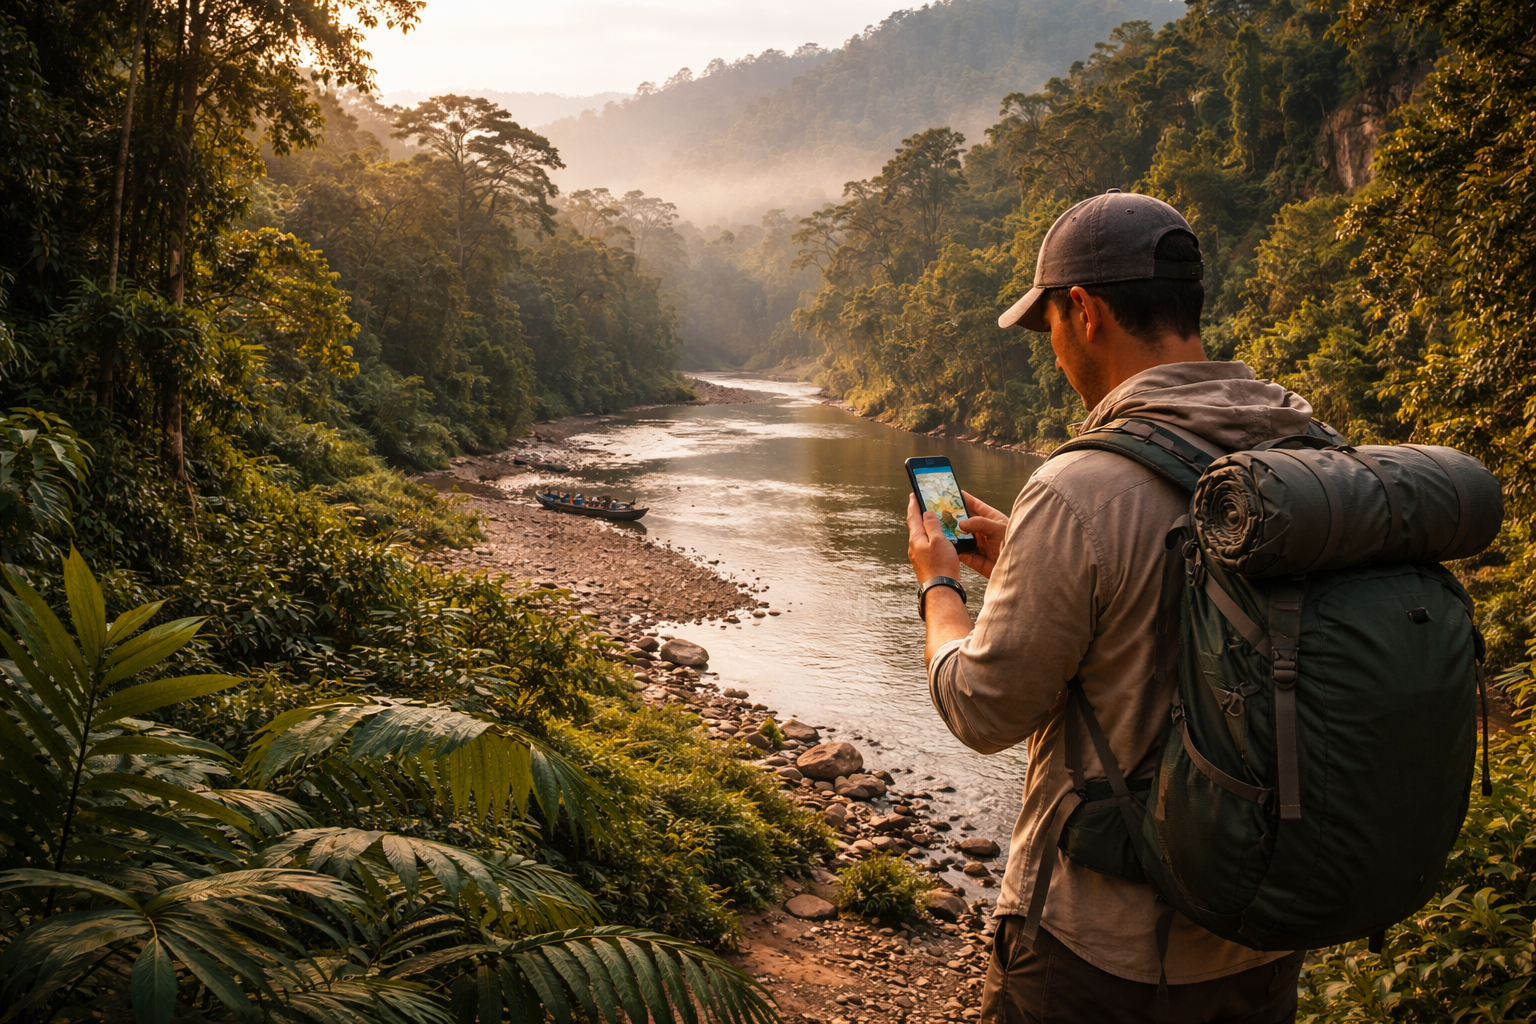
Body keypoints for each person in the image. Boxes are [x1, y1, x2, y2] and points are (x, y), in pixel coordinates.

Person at [906, 191, 1311, 1024]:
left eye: (1046, 322)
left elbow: (982, 708)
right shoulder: (1300, 446)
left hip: (1102, 955)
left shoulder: (1081, 487)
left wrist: (938, 585)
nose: (1049, 346)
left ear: (1082, 311)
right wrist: (1029, 554)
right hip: (1264, 942)